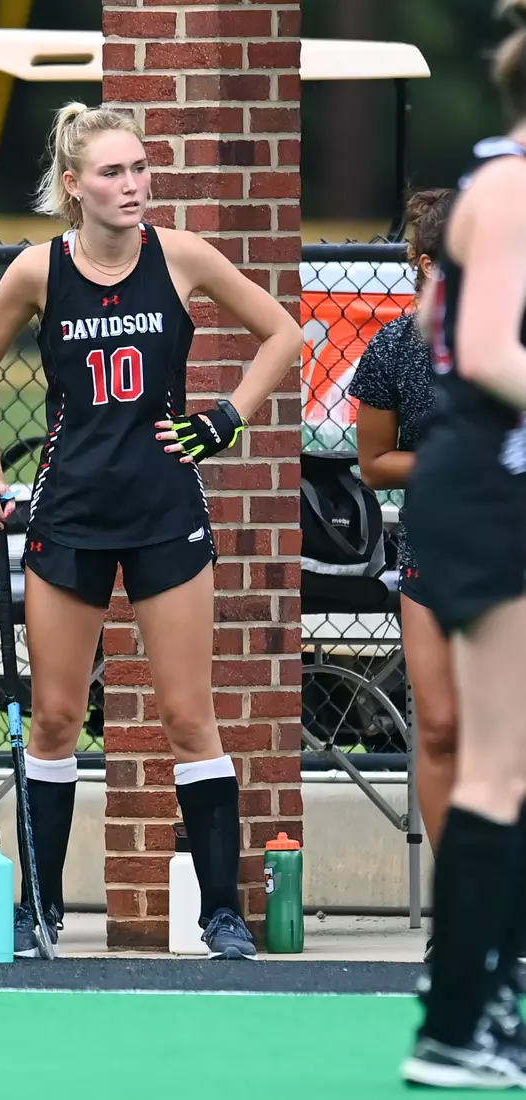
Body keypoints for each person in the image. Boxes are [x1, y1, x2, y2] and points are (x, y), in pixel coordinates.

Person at [0, 103, 302, 961]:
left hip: (164, 514)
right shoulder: (38, 271)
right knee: (55, 717)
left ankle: (221, 911)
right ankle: (40, 911)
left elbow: (284, 334)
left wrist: (227, 416)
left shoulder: (178, 255)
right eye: (113, 172)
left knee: (191, 716)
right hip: (70, 514)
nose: (134, 184)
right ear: (73, 186)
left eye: (141, 168)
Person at [400, 2, 526, 1085]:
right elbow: (487, 351)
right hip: (489, 487)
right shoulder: (516, 189)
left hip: (489, 484)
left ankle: (485, 1008)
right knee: (498, 764)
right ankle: (460, 1020)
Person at [346, 189, 457, 948]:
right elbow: (375, 463)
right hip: (433, 551)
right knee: (442, 727)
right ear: (426, 265)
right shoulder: (393, 349)